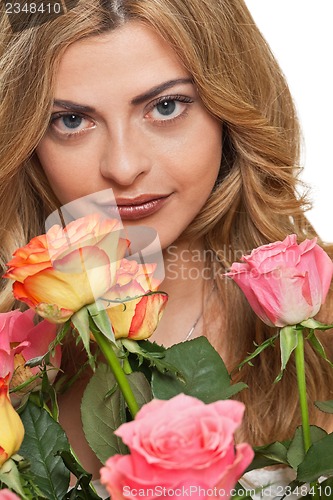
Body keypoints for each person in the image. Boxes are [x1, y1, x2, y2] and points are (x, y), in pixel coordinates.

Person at [1, 0, 333, 496]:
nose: (123, 166)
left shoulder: (324, 318)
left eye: (165, 106)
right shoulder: (16, 356)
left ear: (233, 108)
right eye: (71, 120)